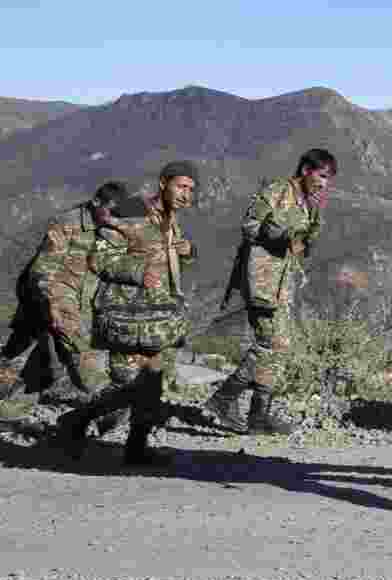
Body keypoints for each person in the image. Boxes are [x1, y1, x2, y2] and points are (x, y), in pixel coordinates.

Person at [54, 161, 198, 464]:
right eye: (181, 186)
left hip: (156, 316)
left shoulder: (170, 219)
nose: (186, 194)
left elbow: (163, 266)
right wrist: (137, 270)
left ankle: (135, 449)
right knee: (129, 383)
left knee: (151, 382)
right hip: (125, 315)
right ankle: (76, 420)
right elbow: (101, 259)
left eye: (191, 189)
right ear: (163, 183)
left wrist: (185, 252)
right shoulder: (132, 212)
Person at [204, 148, 336, 435]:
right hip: (262, 279)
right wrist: (285, 233)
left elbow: (305, 244)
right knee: (271, 344)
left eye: (329, 179)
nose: (325, 183)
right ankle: (225, 400)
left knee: (278, 346)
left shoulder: (308, 202)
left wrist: (316, 216)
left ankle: (257, 414)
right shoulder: (278, 191)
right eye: (321, 175)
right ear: (305, 170)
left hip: (282, 282)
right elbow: (250, 226)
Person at [0, 181, 130, 405]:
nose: (112, 217)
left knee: (47, 366)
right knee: (23, 354)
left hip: (77, 305)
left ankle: (11, 412)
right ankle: (103, 398)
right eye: (110, 210)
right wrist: (56, 308)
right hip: (44, 302)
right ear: (96, 202)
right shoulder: (67, 224)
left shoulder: (110, 228)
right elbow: (42, 271)